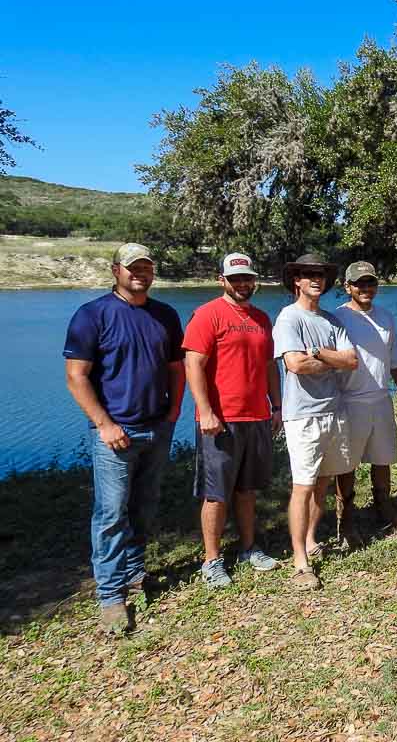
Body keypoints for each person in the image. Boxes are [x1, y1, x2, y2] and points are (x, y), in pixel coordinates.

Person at [64, 243, 185, 634]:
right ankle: (110, 596)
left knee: (144, 506)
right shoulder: (93, 315)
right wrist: (104, 424)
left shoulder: (165, 315)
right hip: (115, 432)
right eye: (133, 267)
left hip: (157, 426)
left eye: (146, 267)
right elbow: (76, 376)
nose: (140, 274)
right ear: (116, 270)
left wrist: (173, 411)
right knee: (111, 513)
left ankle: (134, 573)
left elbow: (176, 368)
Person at [183, 253, 282, 589]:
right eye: (235, 278)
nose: (242, 284)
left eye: (247, 278)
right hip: (221, 419)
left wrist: (276, 406)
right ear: (221, 280)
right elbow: (193, 364)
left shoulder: (261, 318)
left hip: (256, 415)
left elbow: (269, 366)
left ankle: (248, 548)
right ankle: (211, 560)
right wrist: (205, 411)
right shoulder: (207, 314)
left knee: (247, 488)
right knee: (216, 493)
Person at [273, 253, 358, 590]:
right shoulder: (288, 318)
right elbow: (295, 364)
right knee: (303, 486)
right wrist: (331, 359)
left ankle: (310, 540)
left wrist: (319, 353)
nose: (315, 279)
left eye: (320, 275)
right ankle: (300, 562)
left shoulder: (331, 321)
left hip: (333, 411)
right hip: (303, 415)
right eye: (308, 274)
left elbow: (352, 360)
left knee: (323, 482)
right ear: (296, 280)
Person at [335, 261, 397, 542]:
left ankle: (384, 506)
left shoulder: (385, 317)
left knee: (383, 457)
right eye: (359, 284)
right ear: (348, 287)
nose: (365, 288)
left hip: (381, 397)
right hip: (349, 400)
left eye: (370, 282)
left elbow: (393, 359)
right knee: (347, 463)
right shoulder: (337, 318)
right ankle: (345, 518)